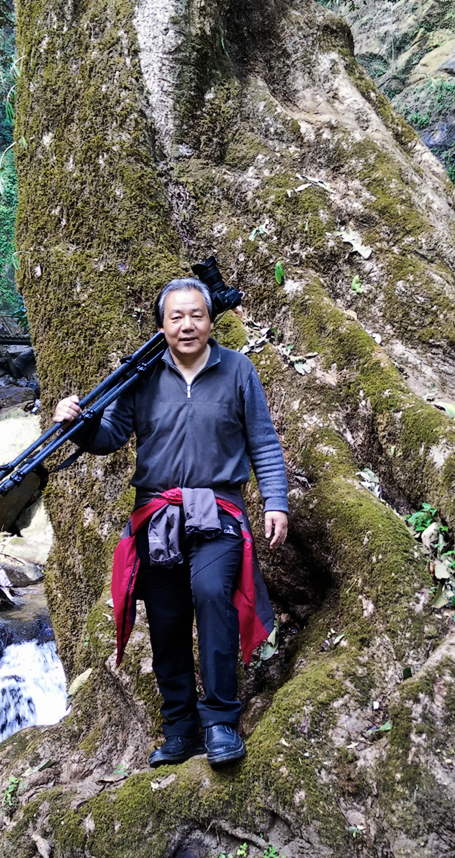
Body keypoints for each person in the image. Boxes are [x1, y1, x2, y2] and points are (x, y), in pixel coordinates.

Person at [53, 277, 289, 768]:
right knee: (166, 616)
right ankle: (179, 728)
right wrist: (77, 421)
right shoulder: (140, 374)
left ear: (211, 320)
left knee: (211, 593)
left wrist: (276, 502)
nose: (187, 325)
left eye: (196, 315)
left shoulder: (238, 370)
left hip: (219, 510)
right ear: (161, 325)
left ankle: (220, 721)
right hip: (157, 513)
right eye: (176, 316)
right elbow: (109, 435)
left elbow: (264, 441)